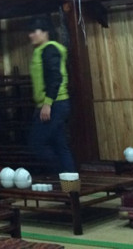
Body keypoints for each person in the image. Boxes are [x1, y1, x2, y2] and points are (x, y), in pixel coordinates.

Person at [27, 15, 75, 176]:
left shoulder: (49, 49)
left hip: (54, 104)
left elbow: (55, 77)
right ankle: (70, 183)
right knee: (60, 145)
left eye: (34, 31)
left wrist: (47, 103)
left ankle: (60, 175)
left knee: (37, 144)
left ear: (45, 32)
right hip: (55, 104)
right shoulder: (42, 50)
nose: (31, 35)